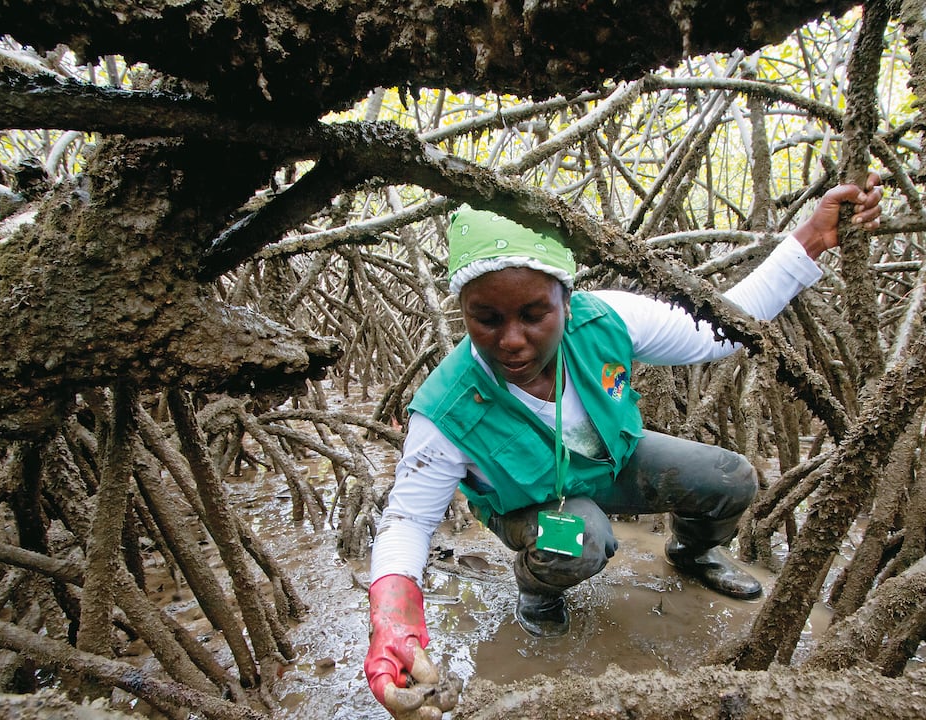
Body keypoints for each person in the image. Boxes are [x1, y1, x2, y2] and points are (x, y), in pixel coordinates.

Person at [364, 177, 883, 716]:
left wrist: (812, 238)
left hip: (611, 465)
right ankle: (538, 589)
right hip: (529, 505)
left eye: (534, 315)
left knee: (729, 478)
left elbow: (722, 329)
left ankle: (692, 553)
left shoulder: (604, 321)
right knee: (581, 537)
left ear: (566, 301)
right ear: (464, 311)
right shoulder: (447, 410)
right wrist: (395, 626)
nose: (512, 341)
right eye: (487, 319)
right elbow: (407, 521)